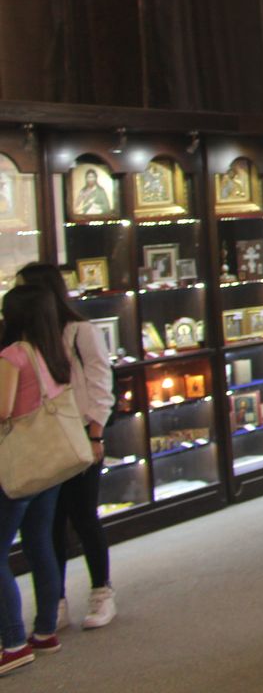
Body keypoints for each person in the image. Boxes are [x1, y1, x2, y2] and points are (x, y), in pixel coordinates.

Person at [16, 265, 115, 631]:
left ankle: (102, 591)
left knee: (83, 514)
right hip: (45, 437)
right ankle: (55, 599)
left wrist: (96, 433)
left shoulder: (80, 331)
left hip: (80, 432)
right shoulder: (26, 337)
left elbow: (100, 380)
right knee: (50, 522)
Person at [0, 286, 75, 673]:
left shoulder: (14, 355)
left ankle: (12, 642)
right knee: (40, 542)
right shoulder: (54, 351)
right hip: (50, 462)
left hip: (20, 464)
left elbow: (3, 410)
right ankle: (45, 630)